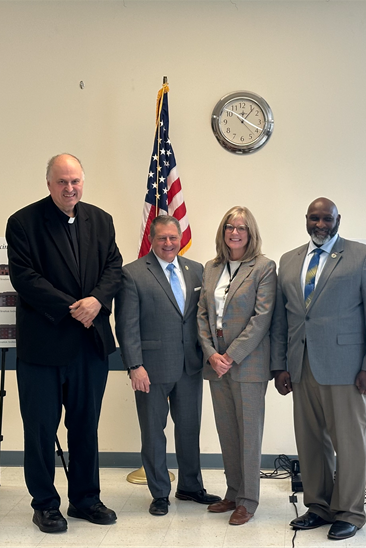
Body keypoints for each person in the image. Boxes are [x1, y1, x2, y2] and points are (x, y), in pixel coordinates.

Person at [5, 153, 122, 533]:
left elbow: (114, 267)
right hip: (44, 346)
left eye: (75, 181)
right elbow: (25, 278)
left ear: (83, 181)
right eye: (62, 182)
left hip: (90, 345)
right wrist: (74, 308)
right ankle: (45, 504)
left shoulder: (101, 220)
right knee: (40, 430)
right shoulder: (23, 223)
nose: (70, 188)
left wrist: (97, 301)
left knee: (85, 426)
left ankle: (86, 499)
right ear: (49, 184)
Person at [270, 197, 366, 541]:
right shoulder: (289, 261)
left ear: (338, 220)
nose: (320, 224)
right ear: (306, 219)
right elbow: (284, 318)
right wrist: (280, 365)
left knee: (350, 443)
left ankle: (350, 511)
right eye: (314, 218)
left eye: (327, 218)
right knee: (310, 442)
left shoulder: (361, 256)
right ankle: (319, 506)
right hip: (301, 367)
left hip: (348, 369)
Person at [114, 215, 221, 516]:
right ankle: (160, 492)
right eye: (162, 238)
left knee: (189, 430)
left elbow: (201, 318)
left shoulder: (196, 270)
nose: (169, 243)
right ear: (152, 238)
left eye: (173, 237)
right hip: (152, 368)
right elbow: (126, 325)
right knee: (153, 432)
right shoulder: (133, 274)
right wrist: (135, 365)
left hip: (190, 366)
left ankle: (190, 486)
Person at [197, 206, 276, 526]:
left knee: (249, 435)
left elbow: (262, 318)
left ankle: (249, 499)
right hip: (216, 364)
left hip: (248, 364)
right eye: (229, 227)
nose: (234, 232)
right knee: (227, 432)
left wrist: (231, 355)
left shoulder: (263, 267)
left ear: (250, 232)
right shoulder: (211, 267)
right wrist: (211, 354)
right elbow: (202, 315)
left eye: (241, 227)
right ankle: (232, 492)